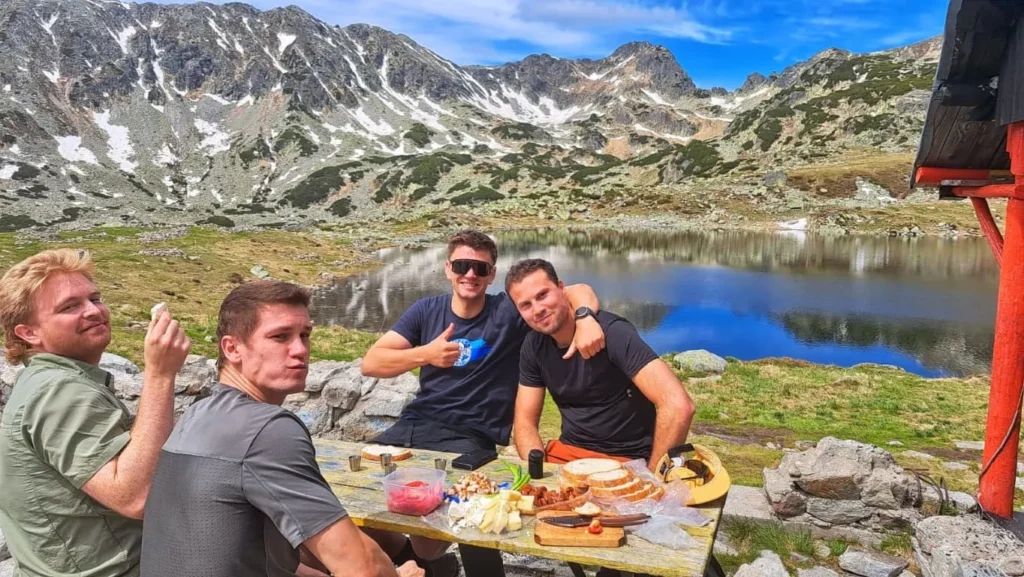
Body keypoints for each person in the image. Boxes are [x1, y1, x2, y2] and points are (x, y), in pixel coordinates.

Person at [360, 230, 605, 577]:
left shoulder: (507, 311)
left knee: (470, 513)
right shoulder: (426, 310)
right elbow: (371, 362)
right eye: (462, 265)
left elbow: (577, 290)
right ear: (448, 269)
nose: (470, 274)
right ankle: (422, 563)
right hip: (411, 426)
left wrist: (584, 316)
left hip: (470, 437)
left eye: (481, 268)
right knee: (354, 501)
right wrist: (425, 354)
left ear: (492, 275)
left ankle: (441, 562)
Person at [140, 280, 422, 577]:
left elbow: (240, 552)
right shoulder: (269, 429)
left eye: (305, 335)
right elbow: (363, 568)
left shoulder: (196, 414)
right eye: (280, 337)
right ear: (232, 348)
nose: (300, 350)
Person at [0, 248, 191, 577]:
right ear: (29, 333)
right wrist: (160, 375)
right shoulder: (58, 391)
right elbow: (136, 497)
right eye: (70, 306)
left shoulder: (50, 381)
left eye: (95, 298)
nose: (94, 311)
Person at [506, 258, 696, 471]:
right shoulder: (533, 346)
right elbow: (524, 422)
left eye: (543, 295)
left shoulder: (612, 333)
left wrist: (653, 477)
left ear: (561, 288)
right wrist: (537, 473)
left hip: (629, 459)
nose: (538, 309)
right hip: (571, 454)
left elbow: (678, 406)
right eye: (526, 305)